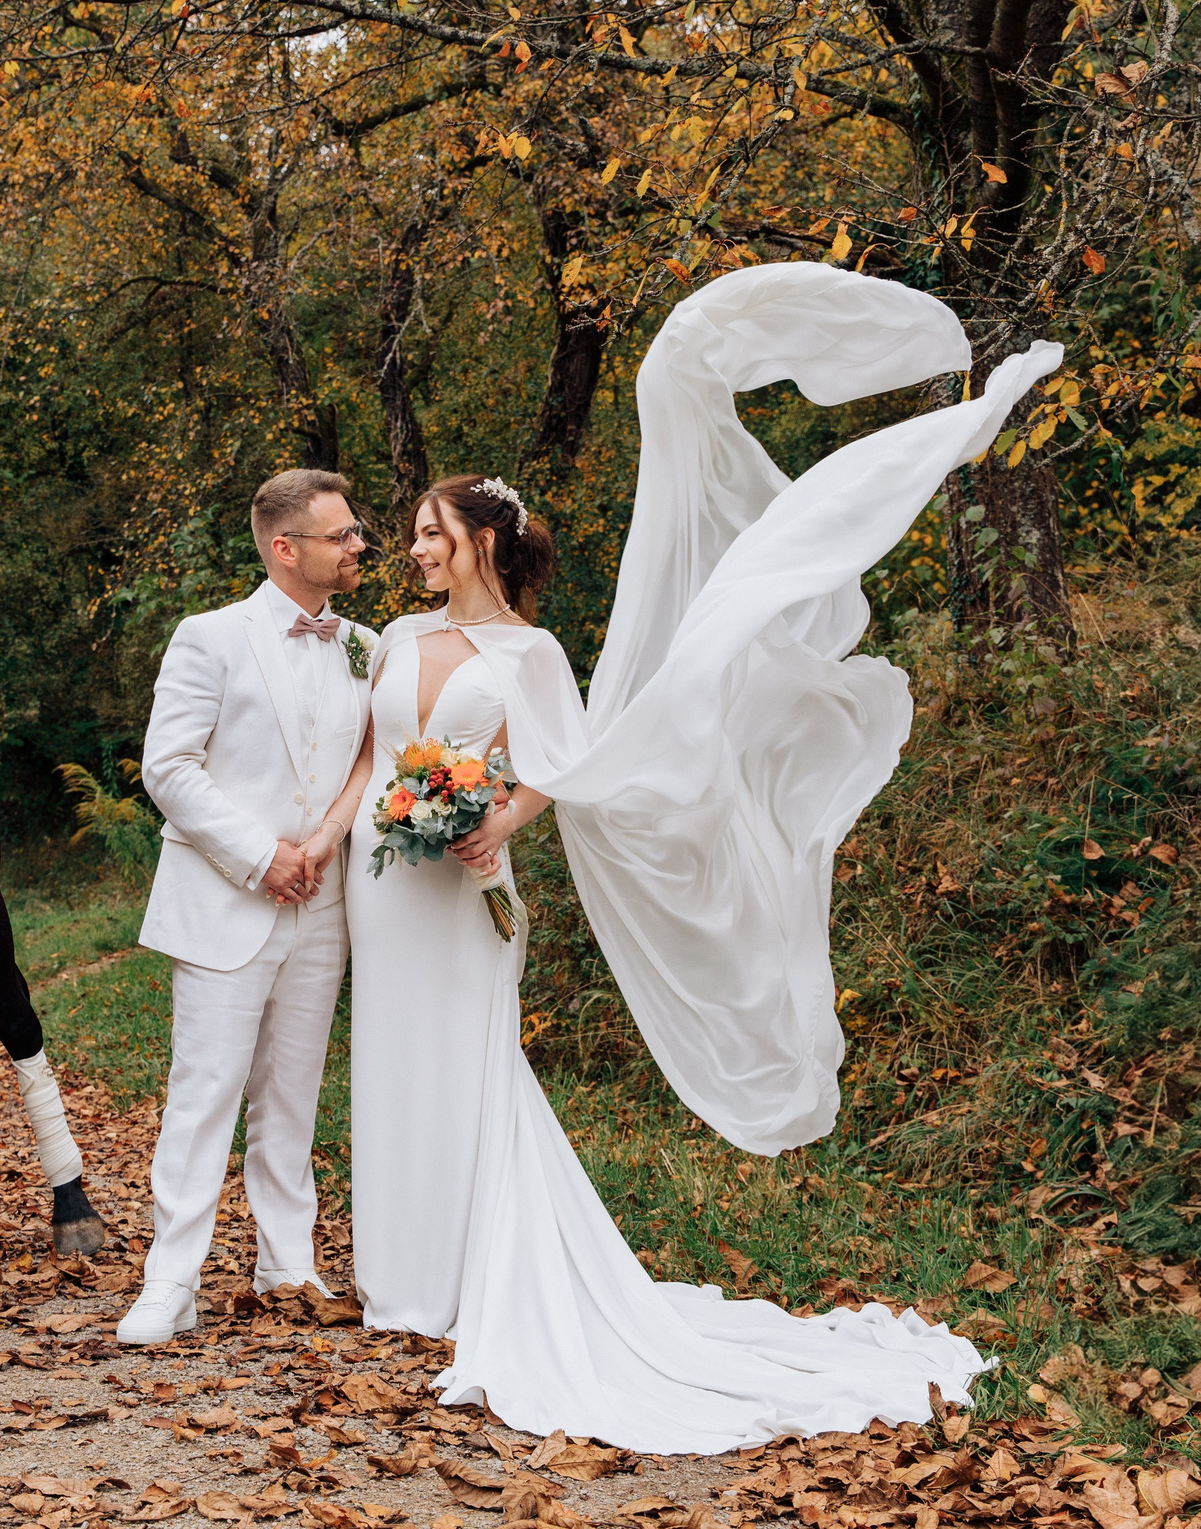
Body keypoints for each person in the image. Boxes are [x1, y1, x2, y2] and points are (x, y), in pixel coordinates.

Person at [303, 261, 1064, 1452]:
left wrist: (495, 823)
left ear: (482, 541)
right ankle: (399, 1280)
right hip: (379, 882)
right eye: (410, 539)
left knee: (467, 1062)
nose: (413, 553)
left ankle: (466, 1277)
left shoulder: (533, 656)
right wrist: (331, 834)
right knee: (389, 1060)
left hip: (467, 891)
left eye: (429, 536)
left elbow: (559, 769)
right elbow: (367, 755)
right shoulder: (394, 637)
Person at [117, 468, 375, 1345]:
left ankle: (288, 1264)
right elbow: (168, 767)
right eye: (342, 535)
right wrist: (263, 856)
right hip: (225, 898)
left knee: (292, 1095)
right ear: (285, 548)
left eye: (355, 531)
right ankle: (171, 1280)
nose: (358, 545)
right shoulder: (210, 636)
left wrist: (325, 841)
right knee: (205, 1093)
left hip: (323, 906)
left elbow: (366, 760)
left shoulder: (363, 645)